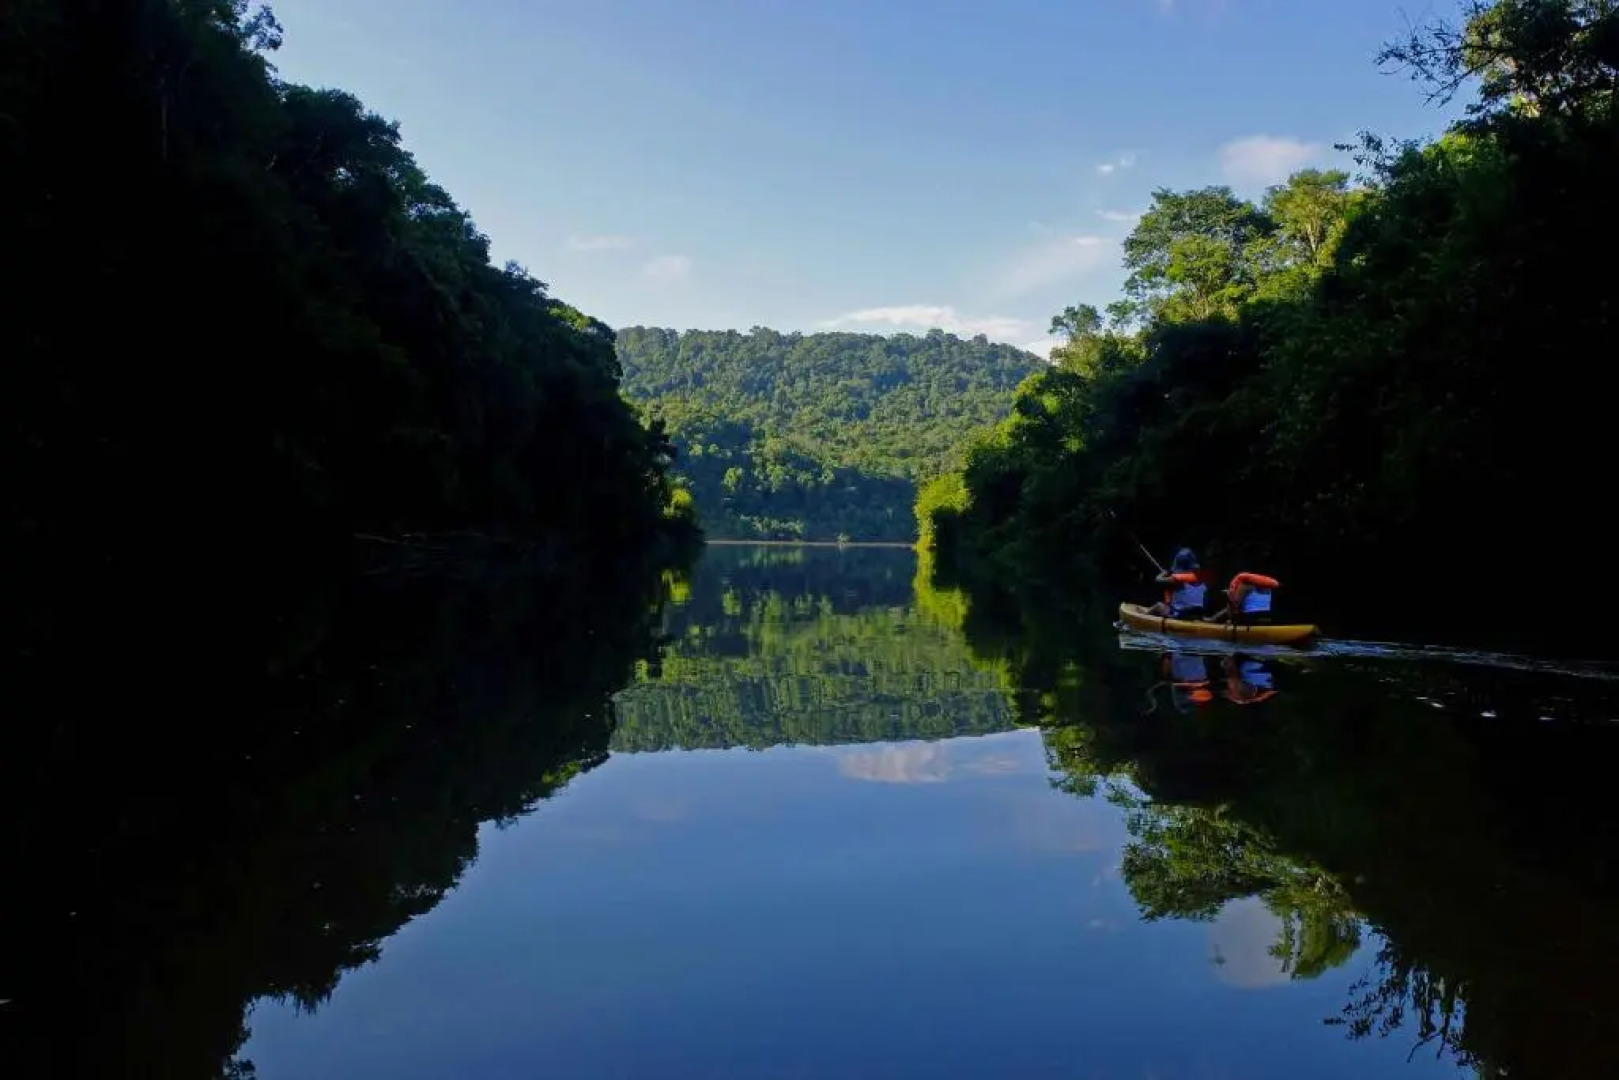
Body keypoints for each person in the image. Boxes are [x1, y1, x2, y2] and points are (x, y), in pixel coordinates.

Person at [1144, 547, 1207, 619]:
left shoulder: (1178, 578)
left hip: (1180, 614)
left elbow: (1158, 580)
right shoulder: (1198, 581)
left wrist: (1163, 573)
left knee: (1159, 605)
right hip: (1197, 613)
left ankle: (1144, 615)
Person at [1205, 571, 1280, 625]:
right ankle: (1214, 620)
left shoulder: (1244, 585)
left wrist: (1229, 594)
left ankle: (1212, 620)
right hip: (1267, 617)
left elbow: (1236, 603)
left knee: (1229, 607)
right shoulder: (1268, 588)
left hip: (1250, 618)